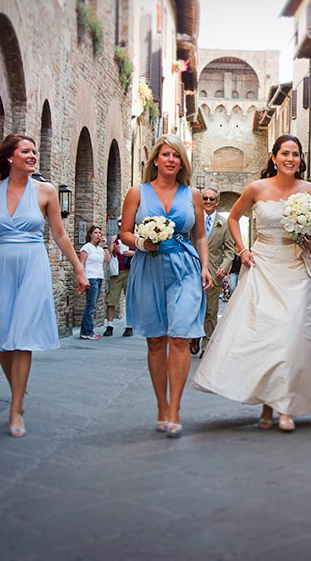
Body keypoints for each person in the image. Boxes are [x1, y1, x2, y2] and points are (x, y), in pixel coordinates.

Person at [193, 134, 311, 432]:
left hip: (296, 267)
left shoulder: (310, 190)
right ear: (274, 157)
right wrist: (243, 249)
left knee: (292, 335)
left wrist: (309, 237)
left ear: (299, 158)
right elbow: (233, 218)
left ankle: (284, 406)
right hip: (264, 265)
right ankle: (270, 405)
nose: (290, 159)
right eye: (285, 154)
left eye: (295, 154)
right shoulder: (257, 188)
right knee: (268, 337)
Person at [0, 133, 89, 438]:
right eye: (26, 151)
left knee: (22, 336)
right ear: (10, 157)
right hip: (1, 265)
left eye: (34, 151)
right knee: (3, 336)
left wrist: (79, 269)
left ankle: (15, 407)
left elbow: (61, 235)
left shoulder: (47, 192)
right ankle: (17, 390)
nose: (32, 155)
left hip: (32, 265)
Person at [120, 134, 212, 438]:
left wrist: (206, 267)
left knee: (180, 338)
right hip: (149, 268)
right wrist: (142, 242)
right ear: (156, 160)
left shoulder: (193, 195)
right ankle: (161, 405)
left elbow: (200, 235)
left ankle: (175, 408)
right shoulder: (137, 193)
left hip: (185, 268)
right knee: (156, 341)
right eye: (166, 154)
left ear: (181, 162)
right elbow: (124, 233)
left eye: (176, 155)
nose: (171, 159)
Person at [194, 186, 235, 356]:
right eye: (205, 198)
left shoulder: (224, 223)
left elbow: (229, 250)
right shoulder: (193, 220)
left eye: (212, 199)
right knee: (193, 308)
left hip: (213, 273)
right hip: (193, 270)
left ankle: (207, 345)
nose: (208, 202)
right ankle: (193, 337)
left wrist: (224, 267)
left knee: (211, 311)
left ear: (217, 202)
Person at [78, 225, 110, 340]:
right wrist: (82, 278)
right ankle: (87, 331)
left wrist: (105, 245)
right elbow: (81, 264)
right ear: (90, 234)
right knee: (90, 305)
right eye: (96, 233)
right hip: (90, 277)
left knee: (93, 305)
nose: (98, 235)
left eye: (99, 233)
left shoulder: (100, 249)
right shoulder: (86, 248)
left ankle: (86, 330)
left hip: (99, 277)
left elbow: (107, 259)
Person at [104, 220, 134, 337]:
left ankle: (129, 326)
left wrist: (132, 253)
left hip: (129, 271)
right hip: (116, 272)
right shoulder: (114, 238)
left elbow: (140, 252)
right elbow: (110, 252)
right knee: (111, 299)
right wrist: (114, 250)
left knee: (130, 299)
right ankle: (109, 325)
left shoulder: (134, 237)